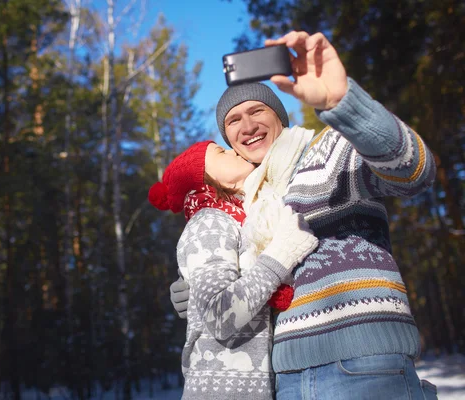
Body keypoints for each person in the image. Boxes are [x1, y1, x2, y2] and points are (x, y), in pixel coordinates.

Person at [169, 31, 438, 400]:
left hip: (363, 362)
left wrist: (344, 103)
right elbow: (244, 295)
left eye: (256, 110)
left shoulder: (328, 150)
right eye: (233, 121)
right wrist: (200, 290)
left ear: (278, 116)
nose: (246, 126)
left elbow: (414, 171)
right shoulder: (246, 207)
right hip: (284, 379)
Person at [148, 139, 319, 399]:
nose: (233, 151)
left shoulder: (242, 222)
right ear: (207, 180)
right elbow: (221, 317)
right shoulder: (209, 222)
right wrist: (282, 254)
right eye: (221, 151)